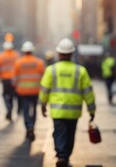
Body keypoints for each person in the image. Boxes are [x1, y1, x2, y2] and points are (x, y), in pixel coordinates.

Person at [39, 38, 96, 167]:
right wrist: (92, 111)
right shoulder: (80, 70)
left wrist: (43, 105)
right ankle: (65, 157)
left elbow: (44, 89)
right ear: (71, 53)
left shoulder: (51, 70)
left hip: (58, 110)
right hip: (74, 112)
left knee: (59, 133)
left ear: (59, 53)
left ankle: (61, 156)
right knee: (70, 135)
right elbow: (88, 93)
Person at [12, 41, 45, 141]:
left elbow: (15, 78)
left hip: (23, 91)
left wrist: (14, 86)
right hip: (35, 91)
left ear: (23, 51)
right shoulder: (39, 62)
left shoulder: (18, 62)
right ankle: (32, 126)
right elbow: (43, 78)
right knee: (34, 109)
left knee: (25, 110)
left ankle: (29, 126)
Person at [0, 41, 21, 121]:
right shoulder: (16, 55)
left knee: (5, 95)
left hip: (5, 79)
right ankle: (14, 109)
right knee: (13, 95)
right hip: (14, 79)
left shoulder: (0, 56)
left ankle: (8, 108)